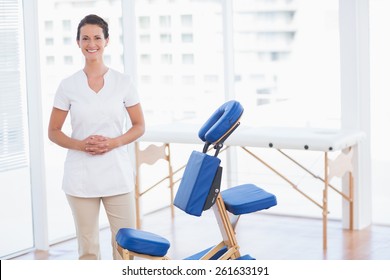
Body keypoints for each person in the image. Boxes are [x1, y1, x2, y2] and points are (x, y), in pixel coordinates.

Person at [48, 14, 145, 260]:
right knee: (88, 247)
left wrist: (113, 142)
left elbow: (139, 125)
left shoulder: (123, 82)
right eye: (85, 38)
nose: (92, 43)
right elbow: (54, 131)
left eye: (97, 37)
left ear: (107, 41)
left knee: (126, 245)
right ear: (78, 43)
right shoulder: (68, 86)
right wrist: (80, 145)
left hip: (116, 173)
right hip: (81, 178)